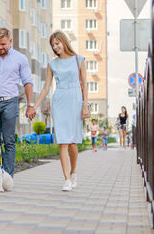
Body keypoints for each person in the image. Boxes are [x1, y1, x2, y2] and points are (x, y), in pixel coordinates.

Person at [28, 31, 89, 191]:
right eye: (53, 45)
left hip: (75, 100)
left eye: (57, 43)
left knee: (73, 143)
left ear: (64, 41)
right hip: (59, 101)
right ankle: (67, 179)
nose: (55, 47)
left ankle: (73, 172)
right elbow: (47, 87)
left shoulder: (79, 59)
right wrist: (34, 106)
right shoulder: (52, 64)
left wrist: (85, 105)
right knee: (63, 141)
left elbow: (84, 84)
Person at [0, 27, 35, 177]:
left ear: (10, 41)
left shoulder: (20, 59)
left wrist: (30, 105)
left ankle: (7, 176)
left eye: (3, 44)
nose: (0, 47)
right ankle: (1, 169)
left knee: (9, 140)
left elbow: (28, 82)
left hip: (10, 102)